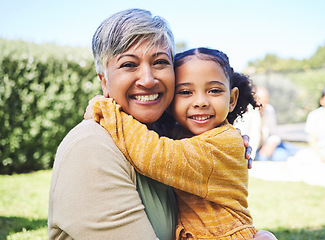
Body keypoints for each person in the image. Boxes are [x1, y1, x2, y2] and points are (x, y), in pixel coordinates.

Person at [48, 8, 275, 240]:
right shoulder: (91, 147)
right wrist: (105, 109)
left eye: (159, 62)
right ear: (104, 81)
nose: (148, 80)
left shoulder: (164, 138)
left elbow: (164, 154)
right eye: (129, 65)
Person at [235, 86, 297, 161]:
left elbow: (274, 133)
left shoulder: (268, 110)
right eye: (262, 101)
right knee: (281, 155)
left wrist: (271, 143)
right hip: (255, 151)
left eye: (266, 101)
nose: (264, 105)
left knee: (293, 149)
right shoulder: (248, 114)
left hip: (266, 145)